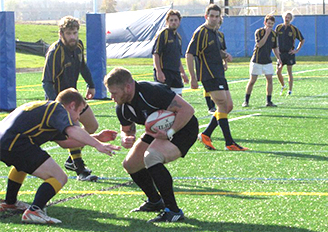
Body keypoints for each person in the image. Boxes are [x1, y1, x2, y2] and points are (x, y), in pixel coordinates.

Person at [0, 88, 120, 224]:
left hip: (6, 140)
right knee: (59, 177)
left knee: (22, 164)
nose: (78, 118)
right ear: (72, 105)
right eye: (79, 112)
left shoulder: (46, 110)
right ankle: (35, 210)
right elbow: (72, 130)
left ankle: (10, 202)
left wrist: (97, 138)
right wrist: (97, 145)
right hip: (15, 142)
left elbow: (65, 142)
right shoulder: (57, 108)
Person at [104, 67, 198, 223]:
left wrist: (170, 133)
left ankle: (173, 211)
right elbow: (127, 130)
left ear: (128, 87)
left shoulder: (152, 91)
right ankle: (155, 201)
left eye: (114, 93)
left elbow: (188, 110)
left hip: (184, 128)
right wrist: (126, 137)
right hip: (157, 131)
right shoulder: (122, 106)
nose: (112, 97)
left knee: (152, 156)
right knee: (131, 164)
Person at [42, 16, 99, 181]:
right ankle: (80, 169)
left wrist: (91, 84)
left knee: (92, 125)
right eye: (69, 33)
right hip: (59, 100)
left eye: (75, 33)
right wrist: (56, 106)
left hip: (74, 96)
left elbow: (82, 65)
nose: (73, 37)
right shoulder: (55, 52)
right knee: (74, 130)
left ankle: (71, 159)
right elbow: (47, 82)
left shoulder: (79, 45)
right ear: (61, 34)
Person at [186, 4, 248, 151]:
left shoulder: (215, 32)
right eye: (211, 16)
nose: (214, 19)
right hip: (209, 75)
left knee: (228, 106)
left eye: (216, 16)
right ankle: (229, 143)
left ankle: (206, 134)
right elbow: (189, 54)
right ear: (206, 16)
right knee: (221, 105)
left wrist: (225, 55)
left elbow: (214, 50)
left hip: (219, 73)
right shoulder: (201, 32)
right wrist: (192, 77)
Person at [242, 14, 282, 107]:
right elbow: (260, 44)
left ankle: (269, 101)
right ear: (265, 23)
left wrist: (279, 58)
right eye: (268, 23)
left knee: (269, 79)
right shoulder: (259, 32)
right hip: (257, 60)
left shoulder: (274, 34)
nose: (270, 26)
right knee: (252, 81)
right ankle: (246, 101)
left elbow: (275, 47)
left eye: (272, 24)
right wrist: (267, 33)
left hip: (267, 60)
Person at [152, 9, 188, 96]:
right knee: (163, 99)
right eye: (171, 20)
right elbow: (156, 54)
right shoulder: (163, 34)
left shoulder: (178, 37)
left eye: (175, 20)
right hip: (165, 71)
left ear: (179, 21)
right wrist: (159, 71)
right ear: (167, 22)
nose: (173, 22)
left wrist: (182, 72)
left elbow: (177, 57)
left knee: (179, 99)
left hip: (175, 72)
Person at [275, 11, 305, 96]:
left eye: (288, 17)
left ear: (291, 19)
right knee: (278, 71)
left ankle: (290, 90)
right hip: (280, 54)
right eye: (285, 17)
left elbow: (302, 40)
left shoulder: (294, 29)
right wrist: (276, 50)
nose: (287, 19)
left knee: (289, 72)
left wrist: (296, 50)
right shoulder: (278, 27)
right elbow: (274, 39)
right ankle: (283, 86)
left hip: (289, 54)